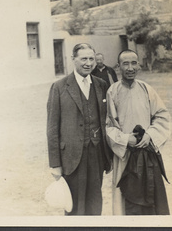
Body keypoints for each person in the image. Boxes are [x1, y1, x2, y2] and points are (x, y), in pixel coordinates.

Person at [47, 43, 113, 215]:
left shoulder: (101, 85)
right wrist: (55, 164)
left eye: (91, 59)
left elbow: (106, 120)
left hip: (97, 154)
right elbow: (52, 128)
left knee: (95, 202)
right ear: (73, 59)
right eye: (84, 58)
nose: (88, 63)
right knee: (74, 206)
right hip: (71, 157)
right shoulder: (59, 87)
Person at [106, 49, 171, 215]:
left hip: (147, 153)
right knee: (124, 202)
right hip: (125, 155)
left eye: (133, 63)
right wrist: (126, 139)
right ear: (118, 66)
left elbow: (162, 116)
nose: (130, 67)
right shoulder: (112, 91)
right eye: (125, 63)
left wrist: (150, 135)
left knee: (152, 198)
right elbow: (109, 126)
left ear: (139, 66)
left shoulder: (146, 89)